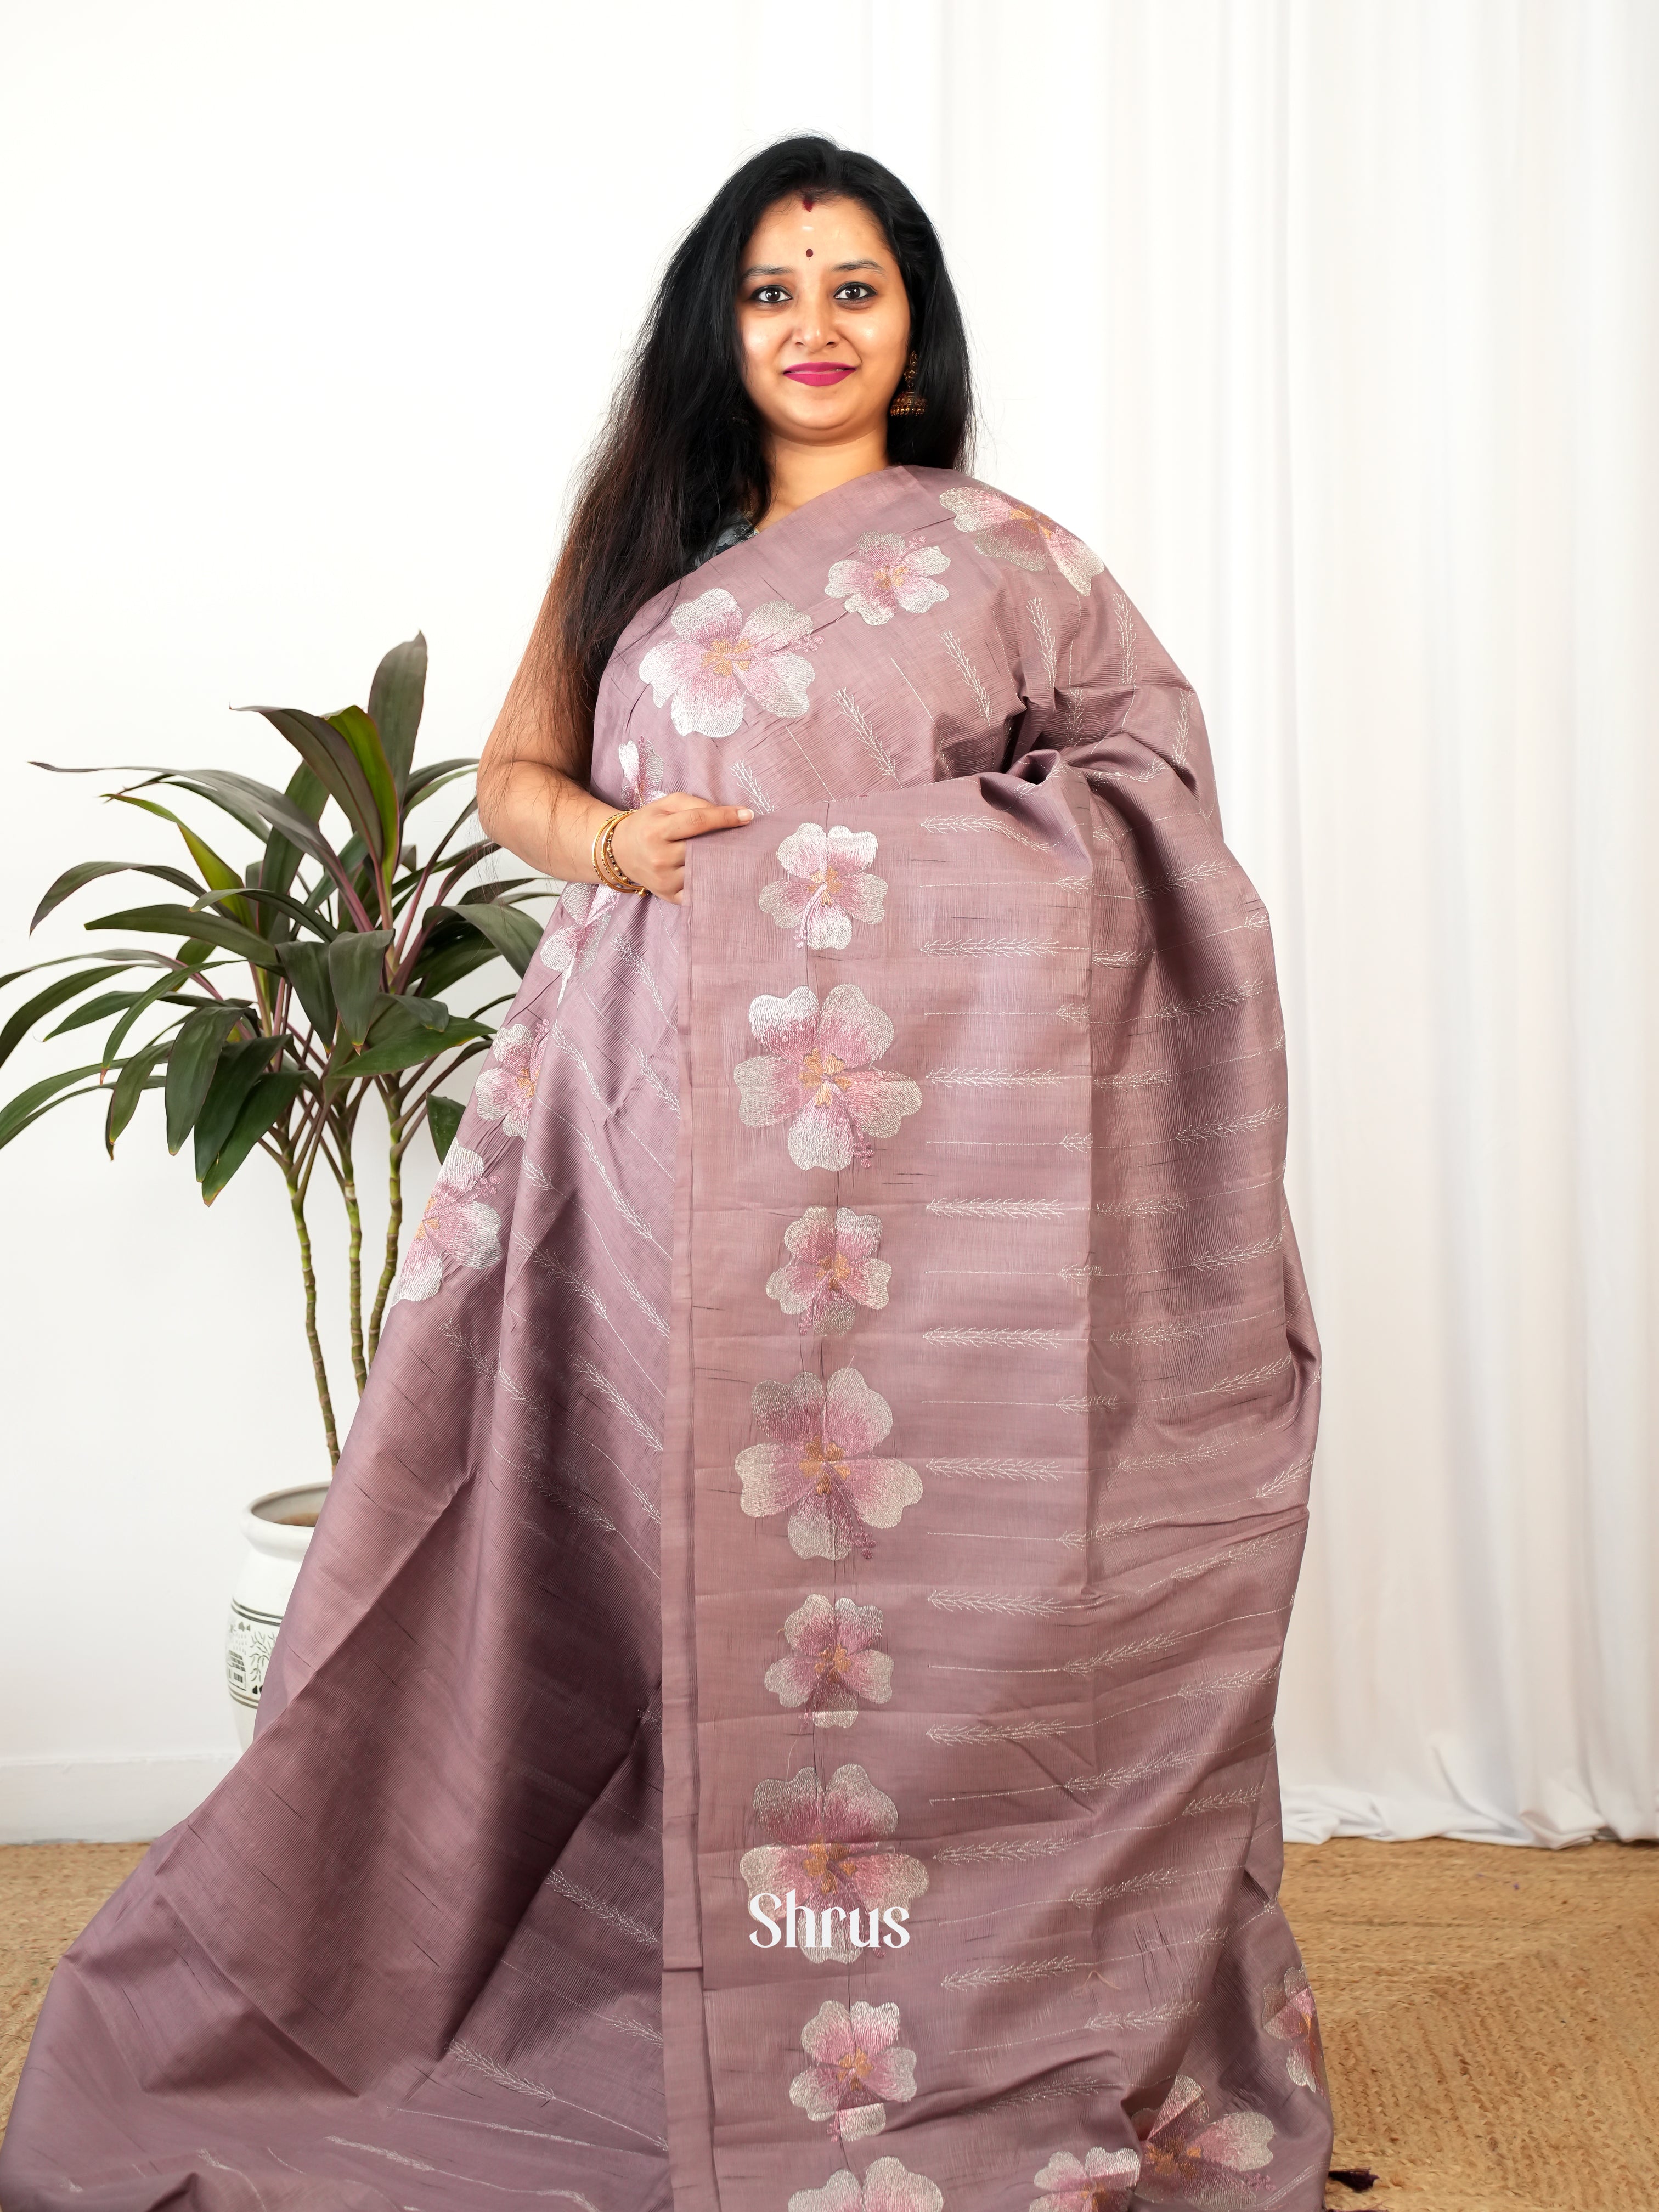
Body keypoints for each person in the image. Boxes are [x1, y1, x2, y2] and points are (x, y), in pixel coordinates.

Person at [2, 137, 1334, 2212]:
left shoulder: (1010, 563)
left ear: (916, 334)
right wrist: (618, 843)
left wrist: (864, 867)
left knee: (933, 1590)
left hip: (930, 1205)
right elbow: (516, 776)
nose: (815, 326)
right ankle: (642, 1976)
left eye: (856, 288)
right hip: (651, 1144)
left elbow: (1146, 799)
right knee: (632, 1563)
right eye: (773, 291)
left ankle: (943, 1992)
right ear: (721, 327)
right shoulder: (645, 541)